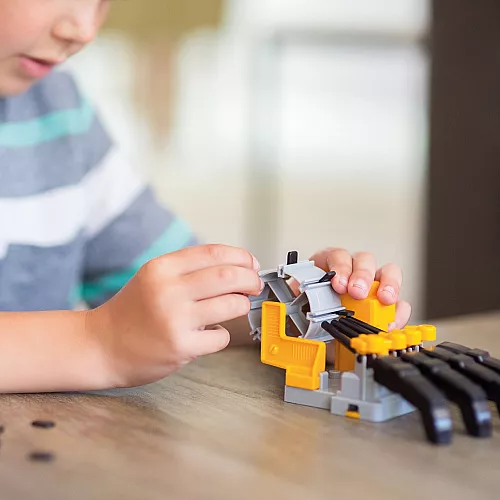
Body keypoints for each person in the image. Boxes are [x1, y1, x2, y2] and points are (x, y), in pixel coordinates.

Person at [0, 1, 411, 394]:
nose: (83, 30)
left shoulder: (60, 113)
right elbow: (117, 334)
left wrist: (303, 310)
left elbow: (170, 302)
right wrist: (99, 342)